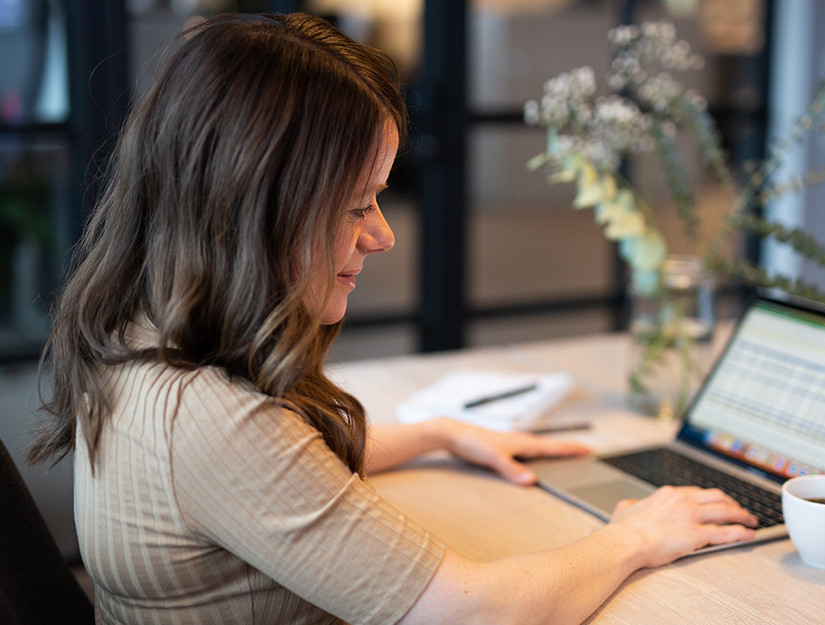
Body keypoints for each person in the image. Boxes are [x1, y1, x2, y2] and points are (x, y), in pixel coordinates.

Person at [27, 12, 757, 625]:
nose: (383, 235)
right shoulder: (211, 419)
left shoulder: (138, 328)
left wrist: (437, 433)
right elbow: (473, 612)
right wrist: (632, 536)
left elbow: (260, 483)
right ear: (257, 215)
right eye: (356, 205)